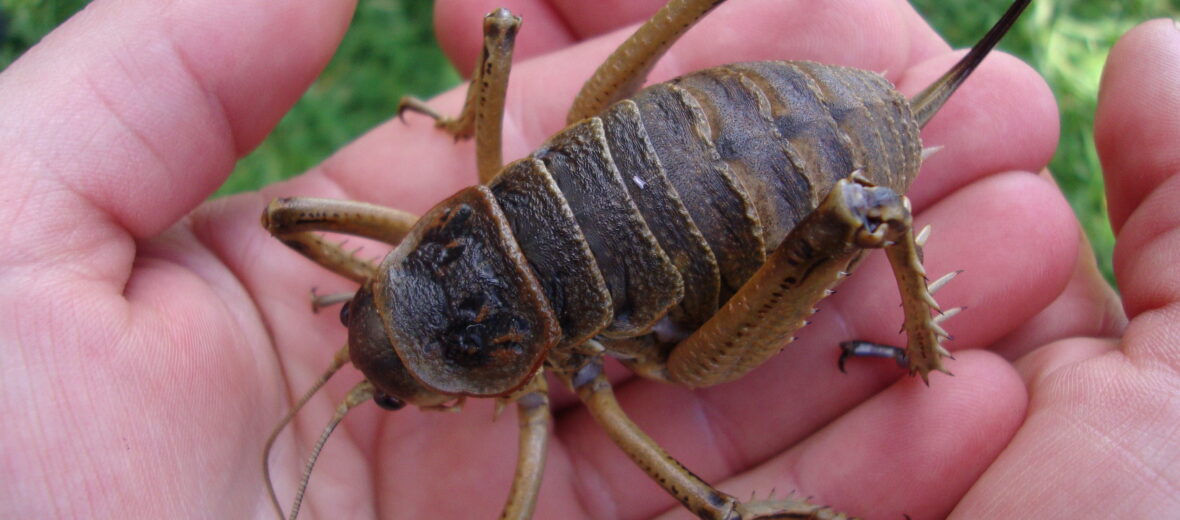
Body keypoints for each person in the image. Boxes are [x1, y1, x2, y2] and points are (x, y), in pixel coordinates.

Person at [0, 1, 1174, 518]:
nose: (376, 357)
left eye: (380, 320)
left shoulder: (544, 402)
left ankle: (922, 347)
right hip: (653, 145)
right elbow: (285, 218)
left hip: (768, 157)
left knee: (715, 355)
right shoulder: (384, 238)